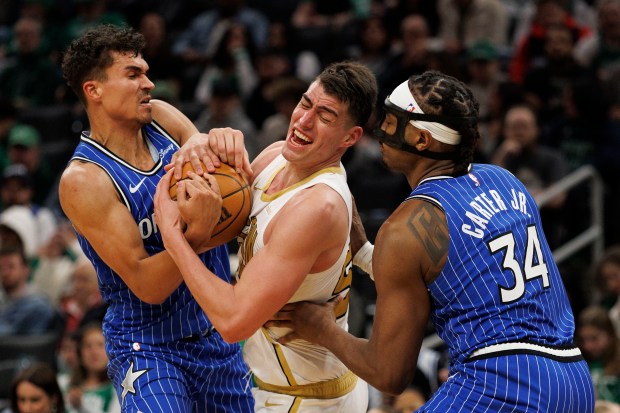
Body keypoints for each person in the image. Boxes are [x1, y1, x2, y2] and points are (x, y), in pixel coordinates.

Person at [267, 70, 595, 412]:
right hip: (572, 377)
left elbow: (388, 373)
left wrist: (321, 328)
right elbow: (468, 278)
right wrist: (366, 254)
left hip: (502, 382)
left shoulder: (406, 227)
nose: (381, 130)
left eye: (393, 121)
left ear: (423, 140)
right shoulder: (506, 180)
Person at [154, 61, 378, 412]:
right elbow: (225, 224)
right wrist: (205, 143)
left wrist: (173, 237)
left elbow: (232, 323)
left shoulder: (318, 206)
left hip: (309, 399)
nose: (303, 121)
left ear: (350, 138)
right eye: (305, 103)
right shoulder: (277, 155)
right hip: (279, 386)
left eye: (325, 116)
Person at [58, 24, 254, 412]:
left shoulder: (160, 118)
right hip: (148, 346)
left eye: (146, 72)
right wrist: (197, 234)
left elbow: (199, 144)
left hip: (215, 336)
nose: (148, 83)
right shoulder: (85, 180)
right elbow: (147, 283)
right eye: (133, 75)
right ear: (93, 90)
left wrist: (212, 140)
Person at [65, 322, 120, 413]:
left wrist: (81, 406)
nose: (94, 352)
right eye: (88, 346)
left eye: (100, 345)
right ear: (79, 353)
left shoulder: (119, 389)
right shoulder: (64, 384)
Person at [577, 305, 620, 404]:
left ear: (610, 335)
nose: (588, 346)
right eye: (583, 339)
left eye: (594, 338)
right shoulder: (580, 363)